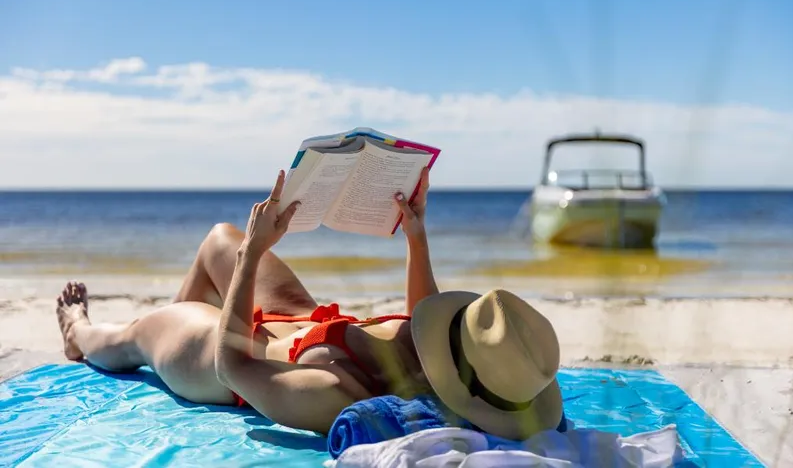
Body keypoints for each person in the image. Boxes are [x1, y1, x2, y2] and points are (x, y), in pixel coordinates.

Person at [56, 167, 564, 440]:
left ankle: (83, 333)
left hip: (225, 355)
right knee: (218, 240)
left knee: (129, 337)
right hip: (302, 323)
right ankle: (175, 327)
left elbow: (232, 367)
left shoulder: (335, 394)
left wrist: (256, 253)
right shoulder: (432, 354)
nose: (430, 321)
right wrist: (416, 234)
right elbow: (425, 314)